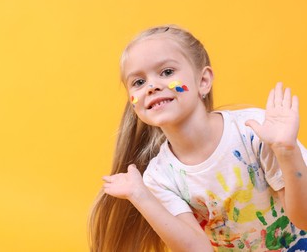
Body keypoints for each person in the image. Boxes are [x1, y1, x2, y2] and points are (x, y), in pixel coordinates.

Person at [88, 25, 307, 251]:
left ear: (203, 81)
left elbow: (304, 219)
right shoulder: (159, 177)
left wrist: (286, 152)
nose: (151, 86)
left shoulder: (254, 131)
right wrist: (140, 195)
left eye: (167, 72)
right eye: (138, 82)